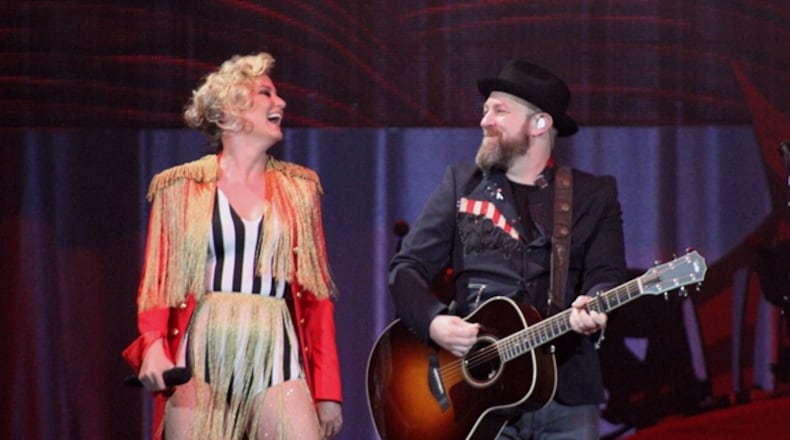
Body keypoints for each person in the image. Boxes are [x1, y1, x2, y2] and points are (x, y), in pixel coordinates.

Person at [388, 59, 627, 439]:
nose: (485, 120)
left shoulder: (592, 195)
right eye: (485, 110)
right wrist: (434, 322)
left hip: (564, 391)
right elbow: (406, 267)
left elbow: (606, 275)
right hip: (477, 393)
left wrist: (594, 304)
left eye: (499, 110)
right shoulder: (460, 184)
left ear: (539, 124)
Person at [122, 52, 343, 440]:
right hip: (203, 351)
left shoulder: (300, 189)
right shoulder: (180, 188)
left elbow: (316, 298)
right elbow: (158, 283)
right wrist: (153, 345)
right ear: (230, 111)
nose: (281, 103)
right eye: (265, 93)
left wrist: (327, 390)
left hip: (275, 348)